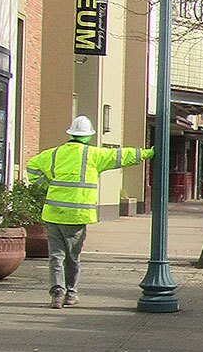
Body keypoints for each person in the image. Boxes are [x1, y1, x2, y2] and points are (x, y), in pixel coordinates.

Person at [25, 115, 153, 309]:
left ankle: (57, 294)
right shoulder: (94, 155)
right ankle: (71, 294)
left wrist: (46, 186)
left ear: (71, 134)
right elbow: (121, 156)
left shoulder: (53, 154)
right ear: (88, 136)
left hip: (53, 214)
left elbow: (31, 165)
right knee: (73, 257)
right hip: (77, 216)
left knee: (56, 257)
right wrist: (147, 153)